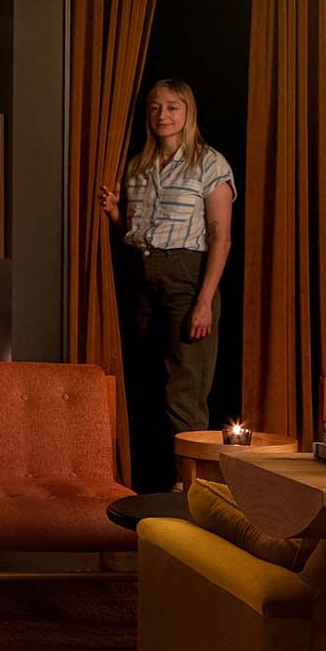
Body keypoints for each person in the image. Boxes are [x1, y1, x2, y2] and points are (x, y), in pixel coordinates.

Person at [96, 78, 235, 483]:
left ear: (188, 112)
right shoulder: (140, 165)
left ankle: (193, 486)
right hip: (142, 276)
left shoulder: (210, 163)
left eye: (173, 107)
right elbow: (136, 231)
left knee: (184, 390)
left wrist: (204, 301)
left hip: (186, 277)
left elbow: (220, 238)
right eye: (156, 108)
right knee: (148, 380)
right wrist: (115, 215)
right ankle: (156, 478)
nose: (163, 116)